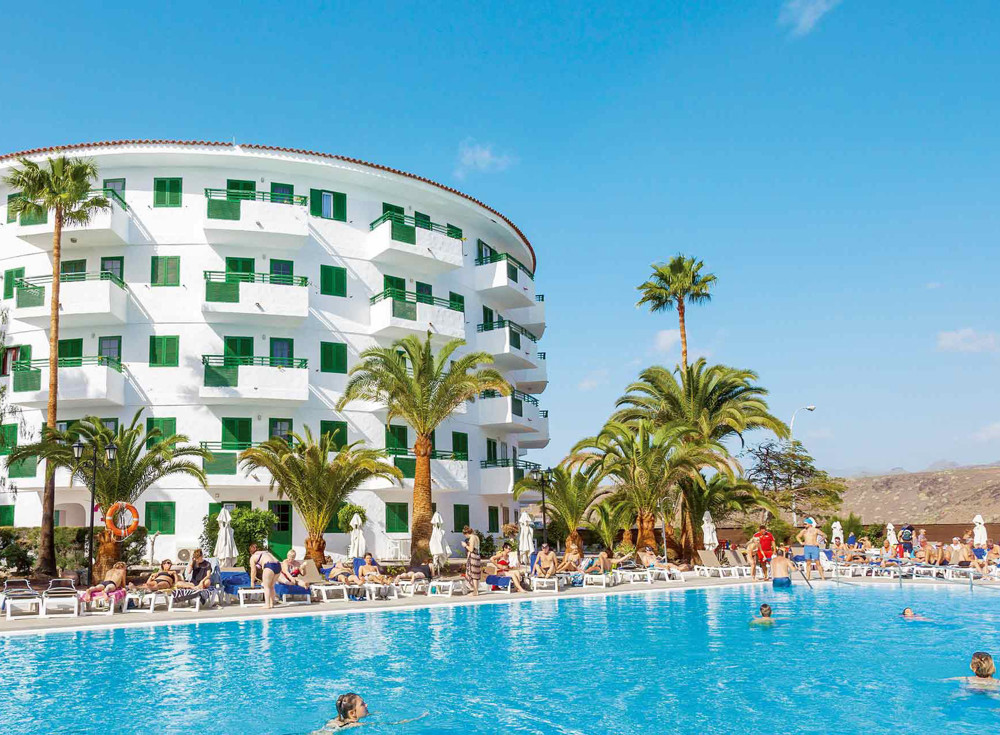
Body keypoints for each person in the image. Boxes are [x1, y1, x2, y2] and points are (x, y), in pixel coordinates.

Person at [249, 543, 281, 609]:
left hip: (269, 565)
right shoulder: (266, 552)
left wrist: (252, 582)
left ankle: (267, 604)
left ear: (251, 552)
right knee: (272, 586)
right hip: (278, 565)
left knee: (266, 586)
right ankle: (271, 604)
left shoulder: (253, 557)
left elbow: (253, 571)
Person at [461, 526, 481, 596]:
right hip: (477, 556)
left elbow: (471, 549)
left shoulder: (472, 538)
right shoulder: (476, 537)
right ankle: (476, 590)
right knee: (475, 574)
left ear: (466, 533)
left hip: (473, 557)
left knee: (473, 574)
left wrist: (465, 545)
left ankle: (475, 591)